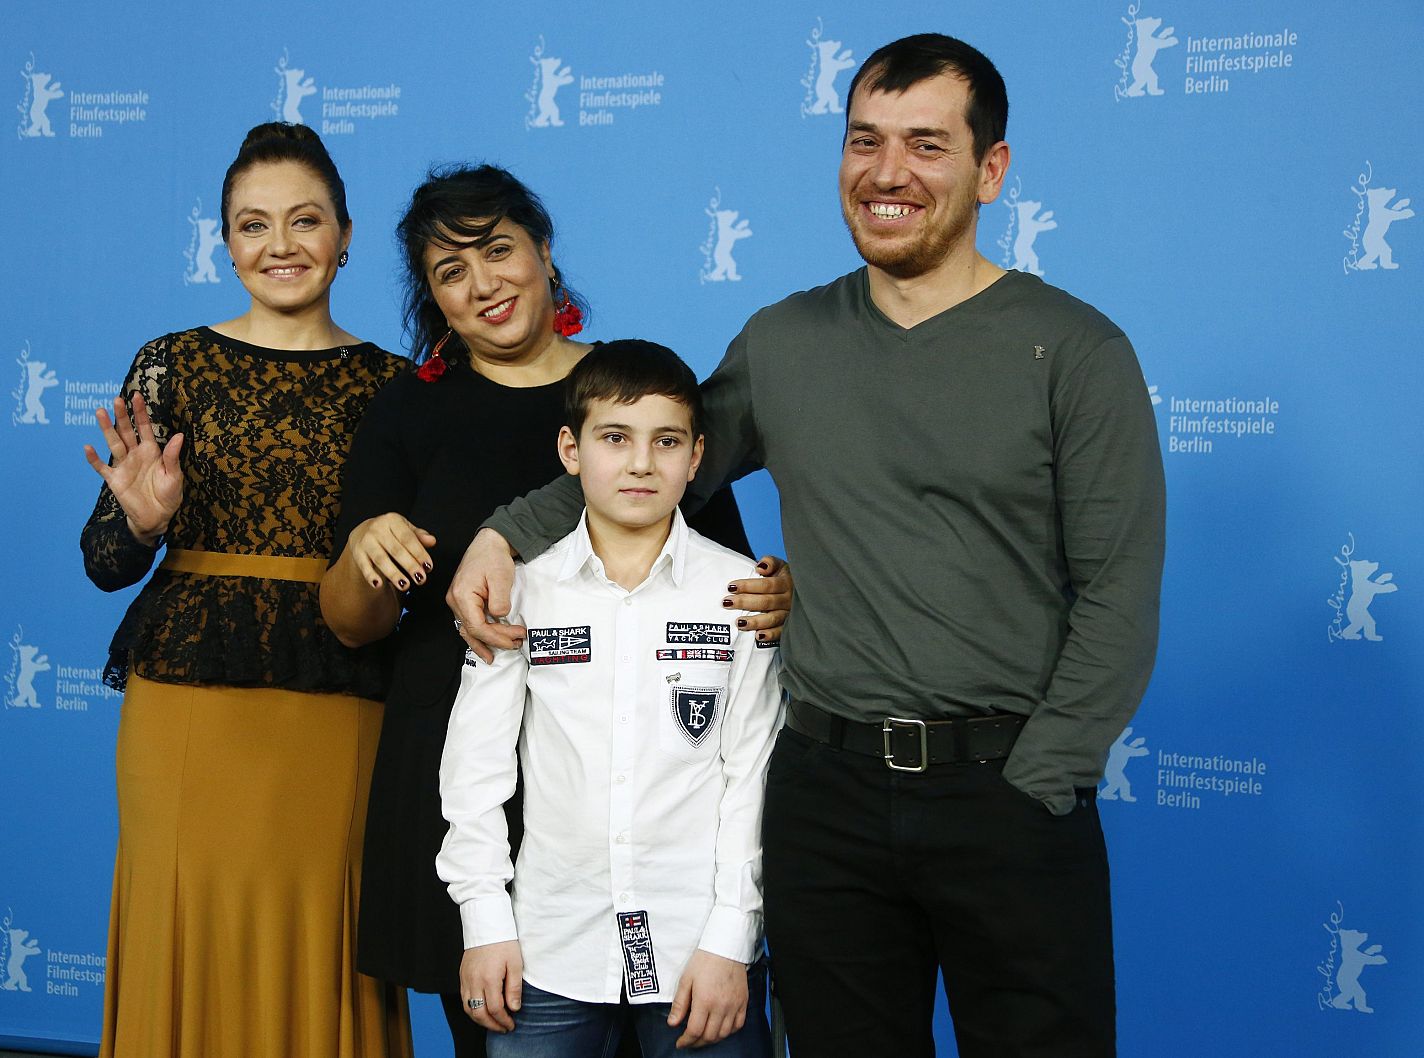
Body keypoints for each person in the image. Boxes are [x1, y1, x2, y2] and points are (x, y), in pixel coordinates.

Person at [449, 33, 1165, 1058]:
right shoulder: (785, 341)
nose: (887, 172)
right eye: (864, 140)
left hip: (1003, 788)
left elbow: (1119, 592)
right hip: (824, 795)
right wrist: (502, 532)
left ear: (990, 170)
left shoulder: (1076, 350)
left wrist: (1040, 779)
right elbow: (652, 469)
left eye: (925, 144)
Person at [317, 165, 791, 1058]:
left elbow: (726, 587)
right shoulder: (407, 411)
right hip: (467, 768)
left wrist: (785, 591)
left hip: (662, 799)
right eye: (450, 271)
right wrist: (364, 549)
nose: (484, 283)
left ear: (543, 253)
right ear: (430, 297)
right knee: (496, 1024)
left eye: (498, 251)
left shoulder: (632, 394)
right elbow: (350, 621)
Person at [81, 122, 412, 1058]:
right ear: (225, 244)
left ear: (346, 236)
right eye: (253, 225)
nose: (280, 246)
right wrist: (144, 518)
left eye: (305, 220)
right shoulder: (171, 361)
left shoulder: (397, 386)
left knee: (328, 931)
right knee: (182, 916)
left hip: (338, 696)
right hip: (186, 706)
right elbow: (104, 561)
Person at [437, 343, 783, 1057]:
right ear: (571, 449)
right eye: (615, 438)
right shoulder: (522, 590)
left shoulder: (739, 593)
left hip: (700, 952)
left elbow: (751, 780)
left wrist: (730, 937)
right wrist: (484, 922)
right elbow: (474, 772)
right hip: (548, 947)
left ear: (696, 458)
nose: (640, 464)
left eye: (666, 442)